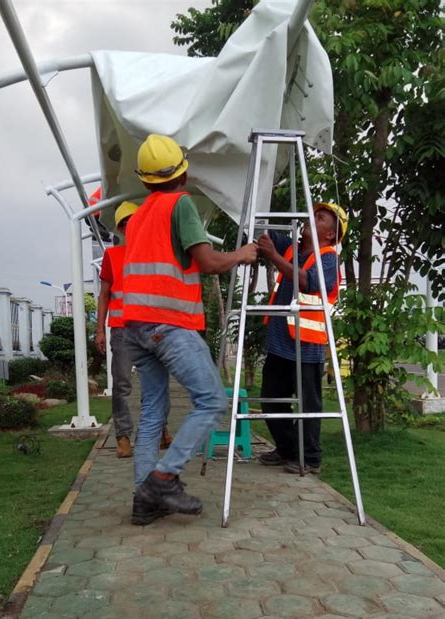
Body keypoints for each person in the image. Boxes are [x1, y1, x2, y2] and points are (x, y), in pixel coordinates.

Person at [122, 133, 258, 525]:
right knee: (212, 401)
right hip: (169, 325)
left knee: (152, 410)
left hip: (137, 328)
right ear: (183, 172)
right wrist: (243, 254)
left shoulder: (139, 215)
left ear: (145, 179)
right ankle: (163, 480)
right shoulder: (180, 205)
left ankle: (143, 500)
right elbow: (209, 262)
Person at [257, 202, 347, 474]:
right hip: (280, 341)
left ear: (331, 234)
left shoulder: (328, 256)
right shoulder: (291, 248)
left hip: (306, 345)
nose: (311, 219)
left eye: (319, 218)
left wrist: (273, 256)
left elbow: (307, 281)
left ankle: (310, 458)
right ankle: (287, 449)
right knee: (271, 398)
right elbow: (266, 234)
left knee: (308, 405)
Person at [95, 201, 173, 458]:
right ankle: (123, 437)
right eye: (125, 224)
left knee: (157, 382)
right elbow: (104, 295)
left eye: (135, 221)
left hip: (152, 328)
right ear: (119, 229)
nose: (131, 227)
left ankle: (160, 430)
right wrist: (99, 330)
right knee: (123, 385)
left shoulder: (155, 254)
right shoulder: (112, 256)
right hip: (122, 330)